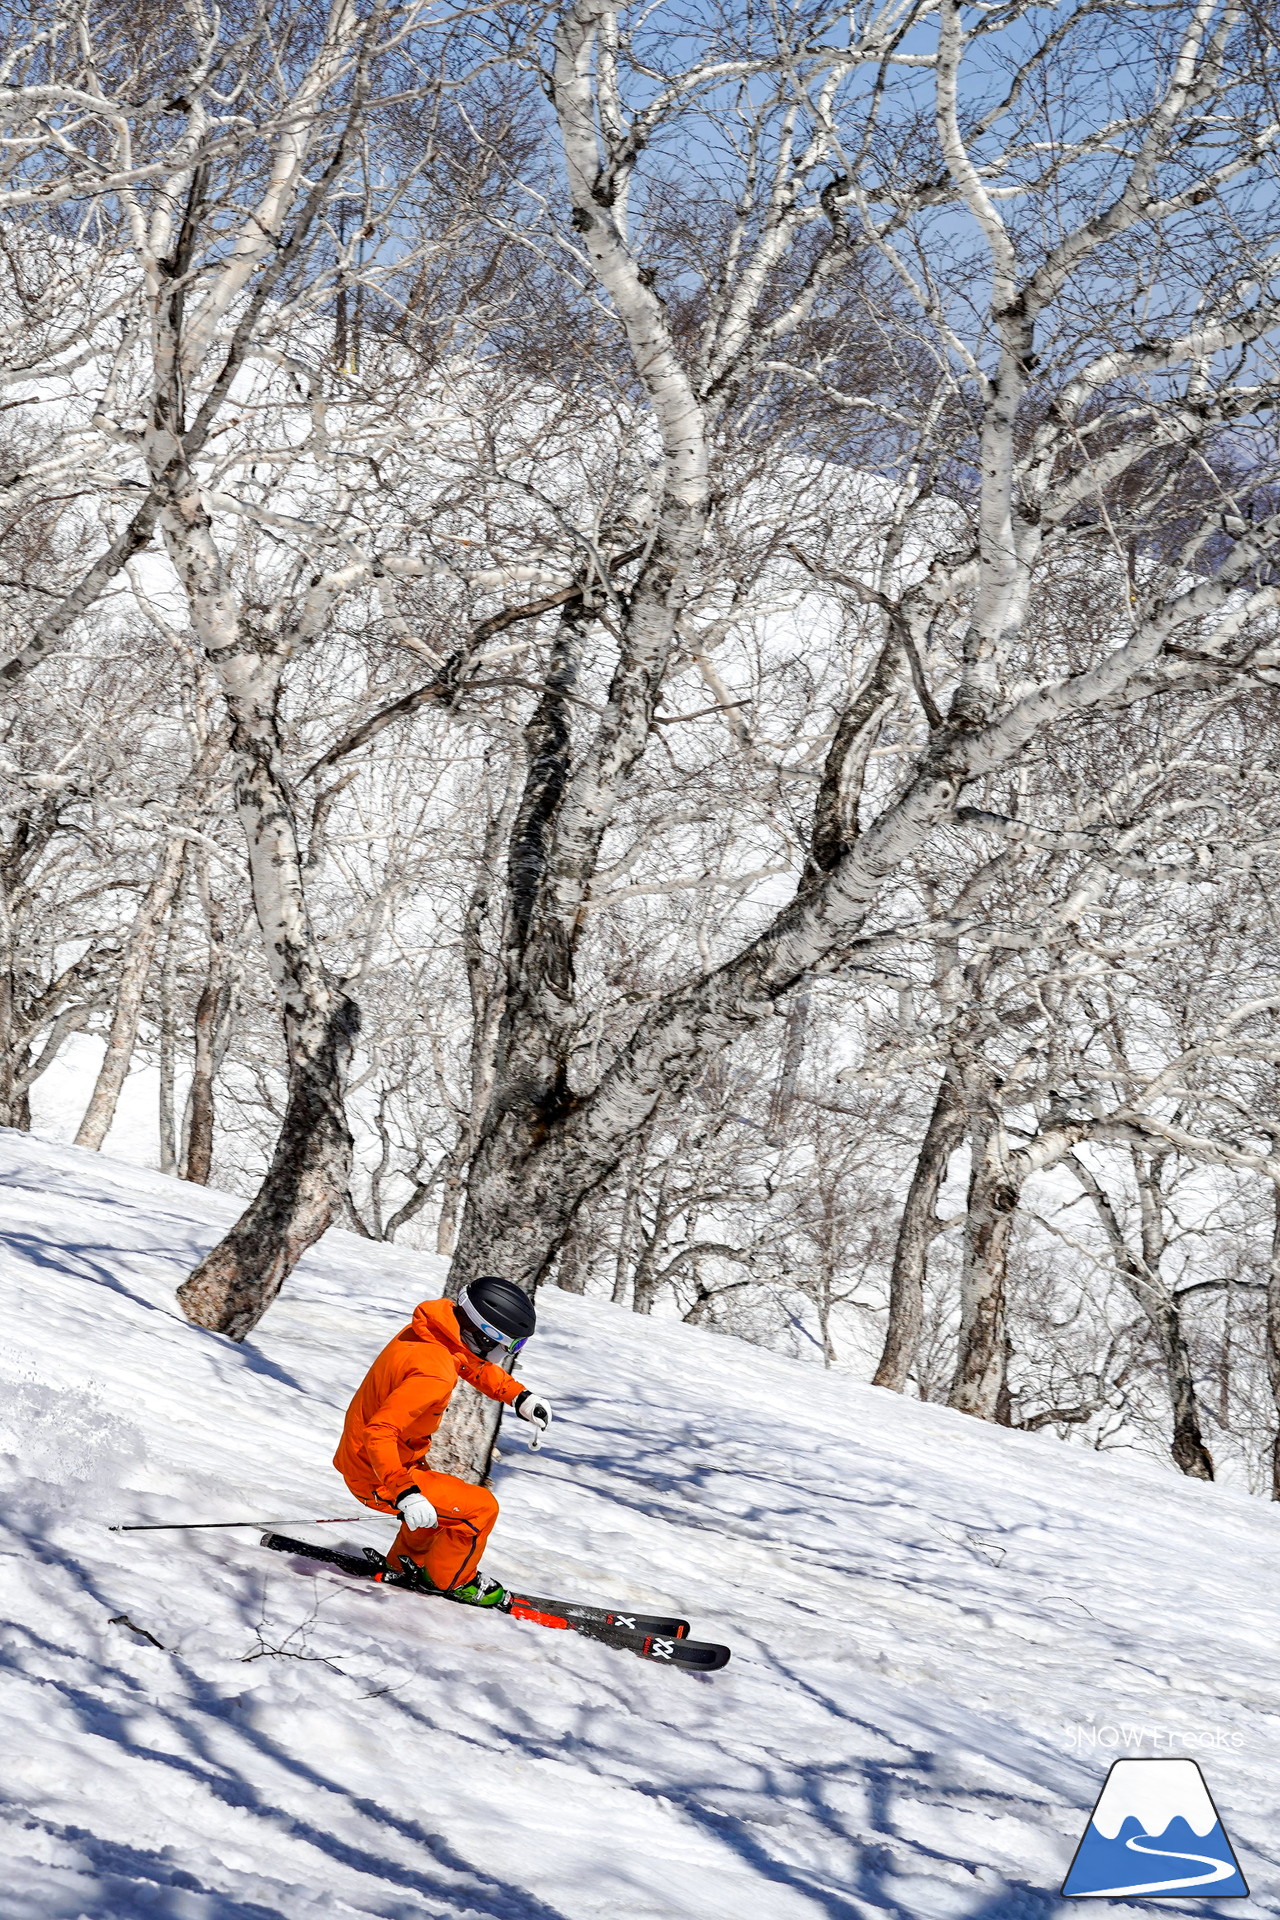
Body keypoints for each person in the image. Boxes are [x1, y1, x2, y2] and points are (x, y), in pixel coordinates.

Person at [333, 1276, 552, 1606]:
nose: (508, 1352)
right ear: (483, 1335)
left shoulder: (431, 1332)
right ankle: (452, 1581)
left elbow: (467, 1361)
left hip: (375, 1460)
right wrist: (404, 1492)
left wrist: (518, 1396)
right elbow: (379, 1433)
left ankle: (406, 1564)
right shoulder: (434, 1373)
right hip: (378, 1472)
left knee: (443, 1503)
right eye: (510, 1345)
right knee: (480, 1509)